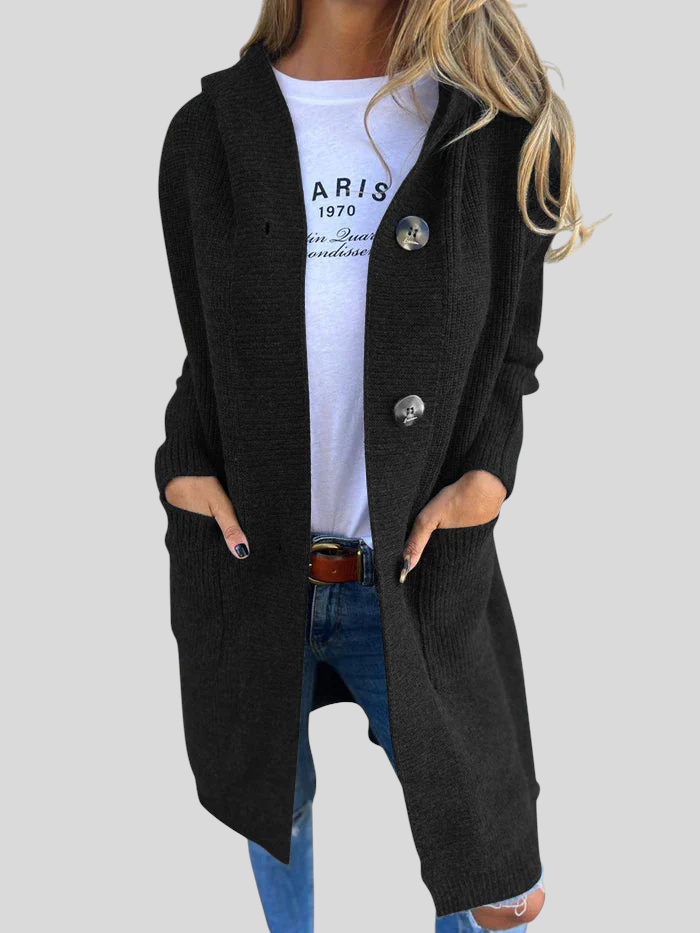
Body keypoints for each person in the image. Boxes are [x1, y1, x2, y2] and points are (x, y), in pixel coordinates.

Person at [156, 1, 601, 929]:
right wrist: (183, 464)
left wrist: (490, 474)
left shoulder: (496, 131)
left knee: (500, 887)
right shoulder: (208, 135)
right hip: (252, 570)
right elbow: (205, 351)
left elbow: (512, 354)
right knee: (273, 802)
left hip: (418, 576)